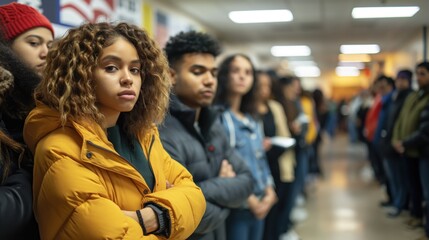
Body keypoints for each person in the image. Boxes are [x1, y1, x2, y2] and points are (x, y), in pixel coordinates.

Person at [23, 22, 206, 240]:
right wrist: (172, 213)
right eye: (111, 67)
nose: (128, 78)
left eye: (135, 69)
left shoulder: (144, 136)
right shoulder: (60, 148)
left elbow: (194, 195)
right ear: (81, 76)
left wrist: (152, 217)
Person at [159, 30, 253, 240]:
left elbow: (247, 181)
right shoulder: (160, 131)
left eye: (213, 72)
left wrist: (196, 193)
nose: (210, 80)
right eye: (198, 71)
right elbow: (181, 215)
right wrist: (228, 195)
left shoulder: (213, 125)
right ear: (172, 76)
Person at [0, 2, 54, 239]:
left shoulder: (44, 106)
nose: (46, 52)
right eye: (34, 43)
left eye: (49, 45)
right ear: (5, 47)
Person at [215, 54, 277, 240]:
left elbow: (260, 160)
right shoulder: (219, 119)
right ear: (225, 75)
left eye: (248, 72)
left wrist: (270, 191)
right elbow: (223, 163)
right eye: (236, 71)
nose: (242, 76)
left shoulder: (252, 120)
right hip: (239, 205)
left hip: (260, 202)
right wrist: (249, 200)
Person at [255, 71, 296, 240]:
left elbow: (285, 135)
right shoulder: (247, 110)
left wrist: (273, 144)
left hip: (277, 163)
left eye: (267, 86)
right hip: (258, 168)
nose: (264, 90)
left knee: (275, 211)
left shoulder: (275, 107)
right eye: (260, 86)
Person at [393, 62, 429, 240]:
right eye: (417, 74)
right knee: (415, 186)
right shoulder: (415, 96)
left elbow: (425, 131)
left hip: (421, 150)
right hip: (410, 149)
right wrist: (398, 141)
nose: (418, 78)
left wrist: (405, 142)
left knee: (426, 192)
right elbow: (401, 120)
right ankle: (418, 218)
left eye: (422, 74)